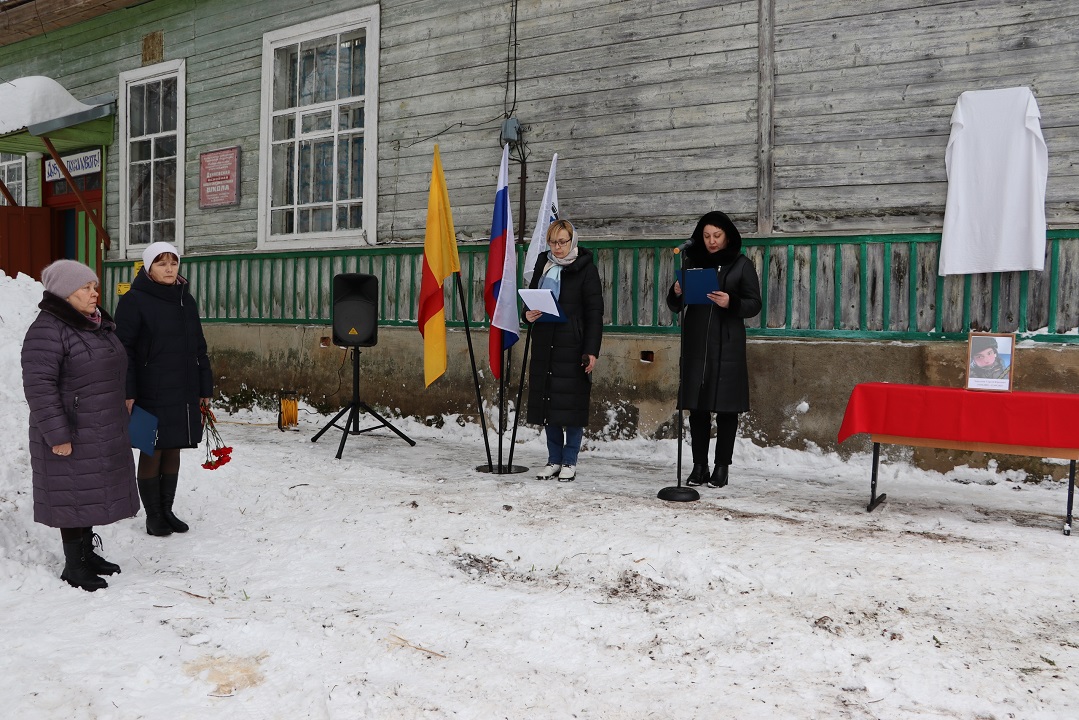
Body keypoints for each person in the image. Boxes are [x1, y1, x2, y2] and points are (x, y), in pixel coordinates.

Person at [22, 260, 139, 591]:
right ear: (64, 293)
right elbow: (39, 388)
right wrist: (57, 435)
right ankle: (75, 566)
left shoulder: (95, 324)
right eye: (86, 288)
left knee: (86, 491)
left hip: (98, 426)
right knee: (72, 495)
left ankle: (87, 555)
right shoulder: (48, 329)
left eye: (94, 286)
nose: (94, 293)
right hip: (70, 429)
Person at [114, 242, 213, 536]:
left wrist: (204, 386)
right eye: (161, 263)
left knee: (174, 445)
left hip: (183, 386)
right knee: (152, 448)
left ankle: (167, 509)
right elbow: (124, 350)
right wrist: (127, 391)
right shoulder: (134, 300)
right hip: (149, 388)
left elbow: (199, 346)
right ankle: (153, 515)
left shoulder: (186, 300)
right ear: (148, 268)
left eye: (173, 262)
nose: (169, 268)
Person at [666, 211, 762, 488]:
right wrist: (676, 292)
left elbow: (754, 304)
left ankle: (722, 467)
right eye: (706, 236)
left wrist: (731, 301)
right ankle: (699, 466)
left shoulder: (741, 265)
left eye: (716, 236)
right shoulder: (691, 262)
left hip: (728, 343)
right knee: (697, 408)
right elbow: (674, 306)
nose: (711, 241)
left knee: (726, 410)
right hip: (697, 342)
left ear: (727, 235)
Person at [524, 220, 604, 482]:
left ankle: (570, 461)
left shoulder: (586, 269)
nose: (557, 248)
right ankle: (553, 459)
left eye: (562, 242)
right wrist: (527, 315)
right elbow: (530, 299)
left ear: (573, 241)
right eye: (553, 242)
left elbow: (594, 313)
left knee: (572, 406)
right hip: (546, 342)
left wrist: (591, 350)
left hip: (574, 346)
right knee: (550, 404)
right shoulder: (542, 265)